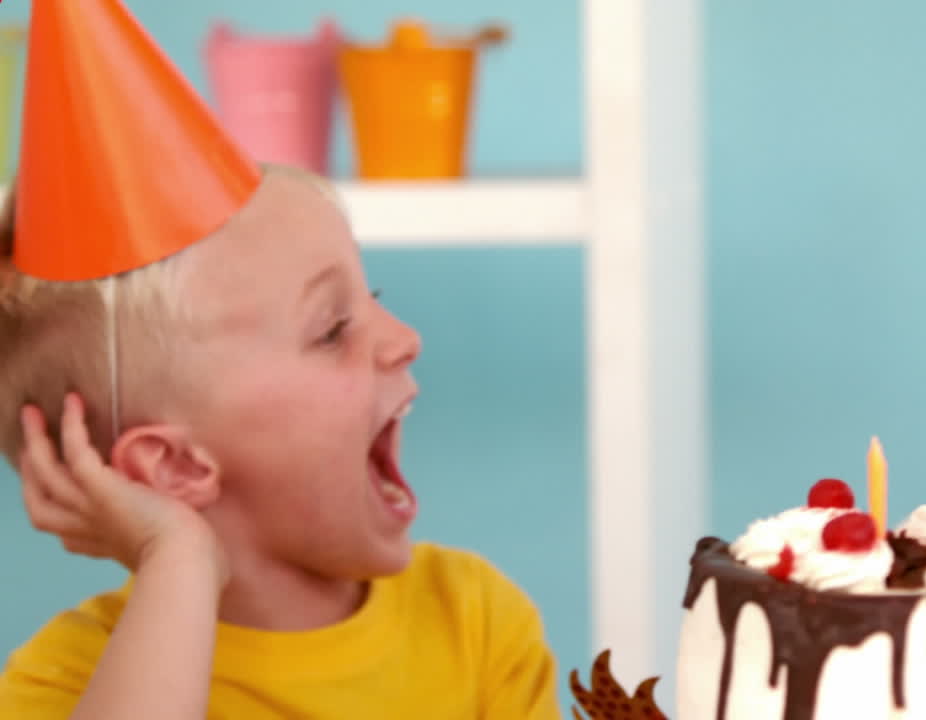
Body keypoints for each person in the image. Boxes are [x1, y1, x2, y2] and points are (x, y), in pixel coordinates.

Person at [0, 2, 560, 718]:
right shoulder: (68, 680)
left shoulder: (475, 624)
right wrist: (178, 559)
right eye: (332, 329)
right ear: (175, 468)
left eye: (374, 294)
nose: (404, 337)